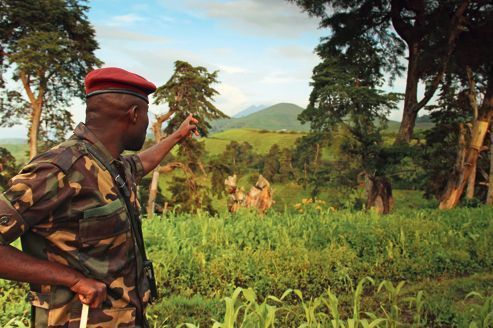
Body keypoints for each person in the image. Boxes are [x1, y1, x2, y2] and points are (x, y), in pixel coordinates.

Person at [0, 67, 199, 327]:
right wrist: (72, 279)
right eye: (147, 115)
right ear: (134, 114)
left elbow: (142, 162)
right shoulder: (59, 170)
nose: (148, 123)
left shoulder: (110, 164)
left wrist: (178, 136)